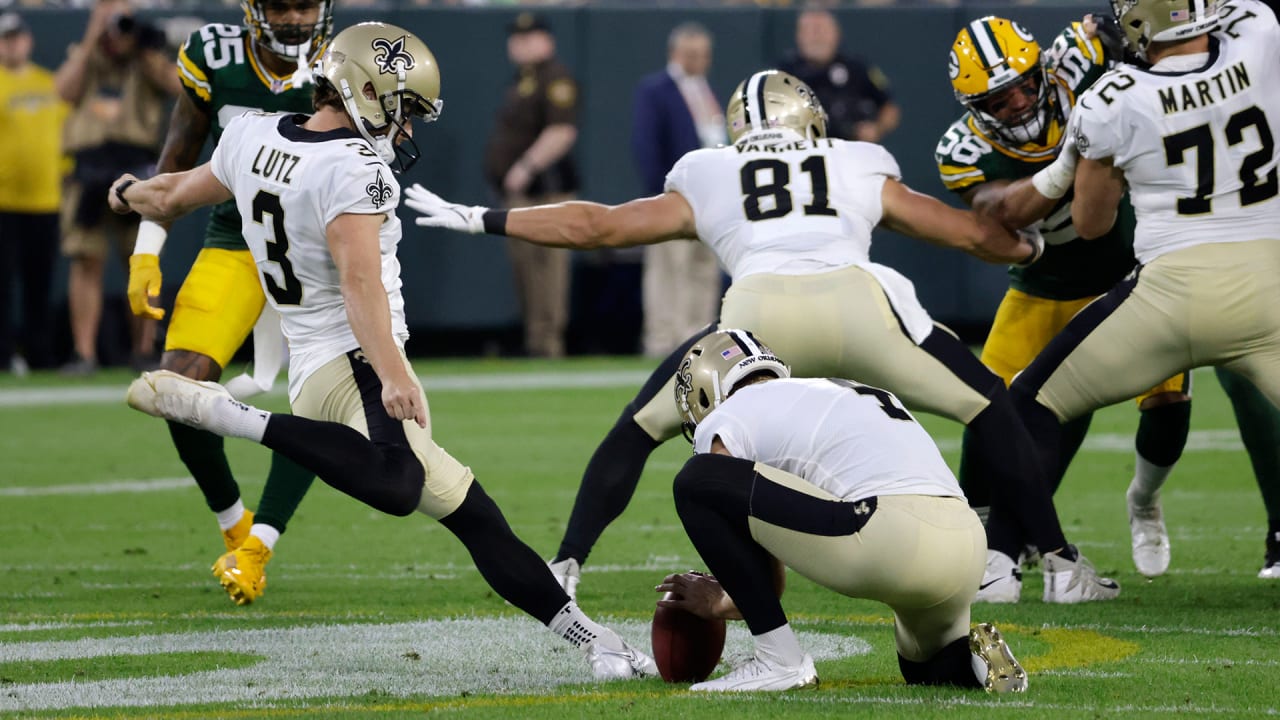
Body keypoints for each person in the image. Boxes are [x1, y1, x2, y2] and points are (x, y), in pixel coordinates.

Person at [408, 69, 1119, 605]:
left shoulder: (712, 170)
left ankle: (565, 565)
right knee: (990, 405)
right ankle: (1055, 561)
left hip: (756, 319)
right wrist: (1024, 252)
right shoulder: (854, 158)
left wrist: (484, 218)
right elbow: (968, 234)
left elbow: (598, 226)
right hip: (860, 306)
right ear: (811, 117)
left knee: (639, 428)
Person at [110, 22, 656, 680]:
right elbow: (360, 283)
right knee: (400, 486)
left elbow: (168, 193)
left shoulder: (249, 135)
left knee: (472, 512)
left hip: (316, 368)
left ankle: (596, 643)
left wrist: (124, 195)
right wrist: (396, 375)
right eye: (402, 110)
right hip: (354, 362)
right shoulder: (354, 167)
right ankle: (229, 415)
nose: (406, 129)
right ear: (364, 91)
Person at [1007, 0, 1280, 580]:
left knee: (1029, 403)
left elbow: (1091, 225)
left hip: (1169, 298)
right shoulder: (1258, 32)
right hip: (1268, 290)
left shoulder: (1112, 98)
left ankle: (1029, 556)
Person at [935, 15, 1192, 590]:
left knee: (1168, 404)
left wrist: (1122, 34)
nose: (1022, 103)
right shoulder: (961, 148)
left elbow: (1138, 33)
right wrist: (1071, 160)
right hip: (1043, 288)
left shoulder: (1080, 56)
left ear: (1044, 67)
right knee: (987, 408)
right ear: (973, 107)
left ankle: (1144, 501)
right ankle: (981, 540)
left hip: (1132, 275)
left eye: (1027, 84)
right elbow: (1003, 208)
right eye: (1000, 101)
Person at [653, 328, 1026, 693]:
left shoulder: (732, 412)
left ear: (706, 392)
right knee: (930, 671)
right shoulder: (831, 391)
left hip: (892, 536)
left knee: (696, 481)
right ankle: (972, 662)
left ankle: (779, 661)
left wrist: (722, 598)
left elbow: (721, 497)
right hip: (968, 547)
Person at [125, 0, 333, 606]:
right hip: (236, 240)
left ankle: (258, 547)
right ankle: (233, 524)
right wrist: (148, 248)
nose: (295, 18)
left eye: (305, 5)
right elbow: (179, 150)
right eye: (281, 5)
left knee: (318, 397)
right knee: (177, 389)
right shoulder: (213, 56)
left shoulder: (346, 60)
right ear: (252, 9)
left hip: (320, 248)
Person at [55, 0, 178, 375]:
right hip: (90, 166)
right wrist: (94, 36)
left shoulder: (148, 54)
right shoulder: (87, 55)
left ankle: (143, 349)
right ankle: (84, 353)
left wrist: (143, 47)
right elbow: (65, 90)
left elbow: (176, 85)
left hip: (136, 166)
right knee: (86, 260)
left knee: (140, 258)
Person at [483, 12, 579, 358]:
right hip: (520, 194)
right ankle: (535, 339)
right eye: (516, 38)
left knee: (547, 270)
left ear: (546, 40)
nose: (519, 44)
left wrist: (526, 166)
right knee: (525, 270)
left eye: (528, 37)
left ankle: (548, 341)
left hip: (546, 191)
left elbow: (562, 131)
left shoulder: (556, 78)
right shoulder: (522, 79)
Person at [632, 22, 724, 357]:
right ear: (675, 53)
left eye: (703, 54)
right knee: (668, 270)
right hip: (674, 198)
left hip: (710, 199)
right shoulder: (656, 90)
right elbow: (646, 146)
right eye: (691, 54)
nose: (698, 60)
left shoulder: (705, 90)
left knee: (703, 269)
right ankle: (662, 340)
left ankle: (697, 337)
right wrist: (663, 194)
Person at [0, 12, 65, 375]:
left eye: (16, 37)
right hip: (4, 201)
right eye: (5, 38)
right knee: (3, 285)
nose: (12, 44)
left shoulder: (48, 83)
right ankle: (5, 355)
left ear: (28, 41)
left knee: (39, 282)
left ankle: (40, 354)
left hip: (45, 200)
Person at [778, 7, 899, 143]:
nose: (816, 37)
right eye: (810, 30)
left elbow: (889, 108)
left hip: (849, 150)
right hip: (804, 152)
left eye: (821, 30)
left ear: (836, 33)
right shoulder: (784, 72)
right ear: (798, 35)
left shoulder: (856, 68)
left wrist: (875, 129)